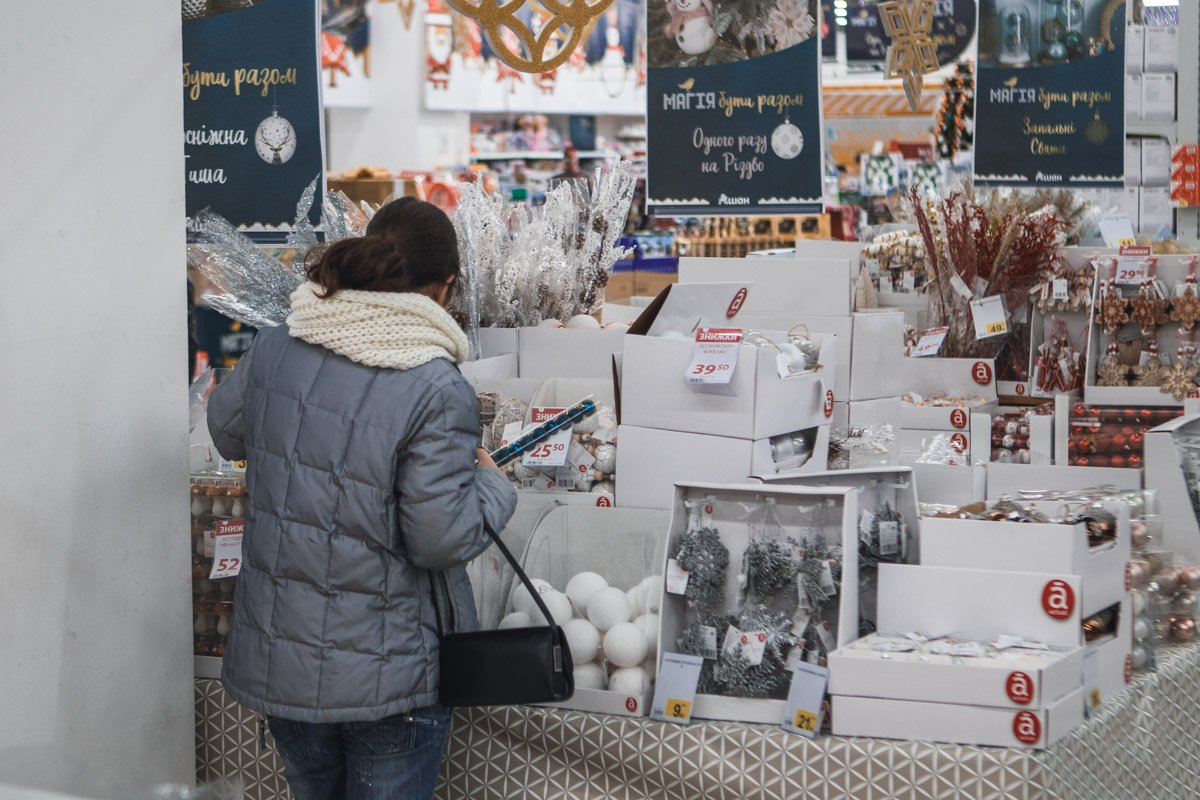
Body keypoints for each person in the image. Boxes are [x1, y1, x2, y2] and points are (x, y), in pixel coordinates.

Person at [206, 197, 518, 800]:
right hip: (386, 675)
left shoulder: (281, 342)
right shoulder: (434, 384)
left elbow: (225, 427)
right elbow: (440, 538)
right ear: (443, 288)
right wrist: (492, 487)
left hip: (283, 660)